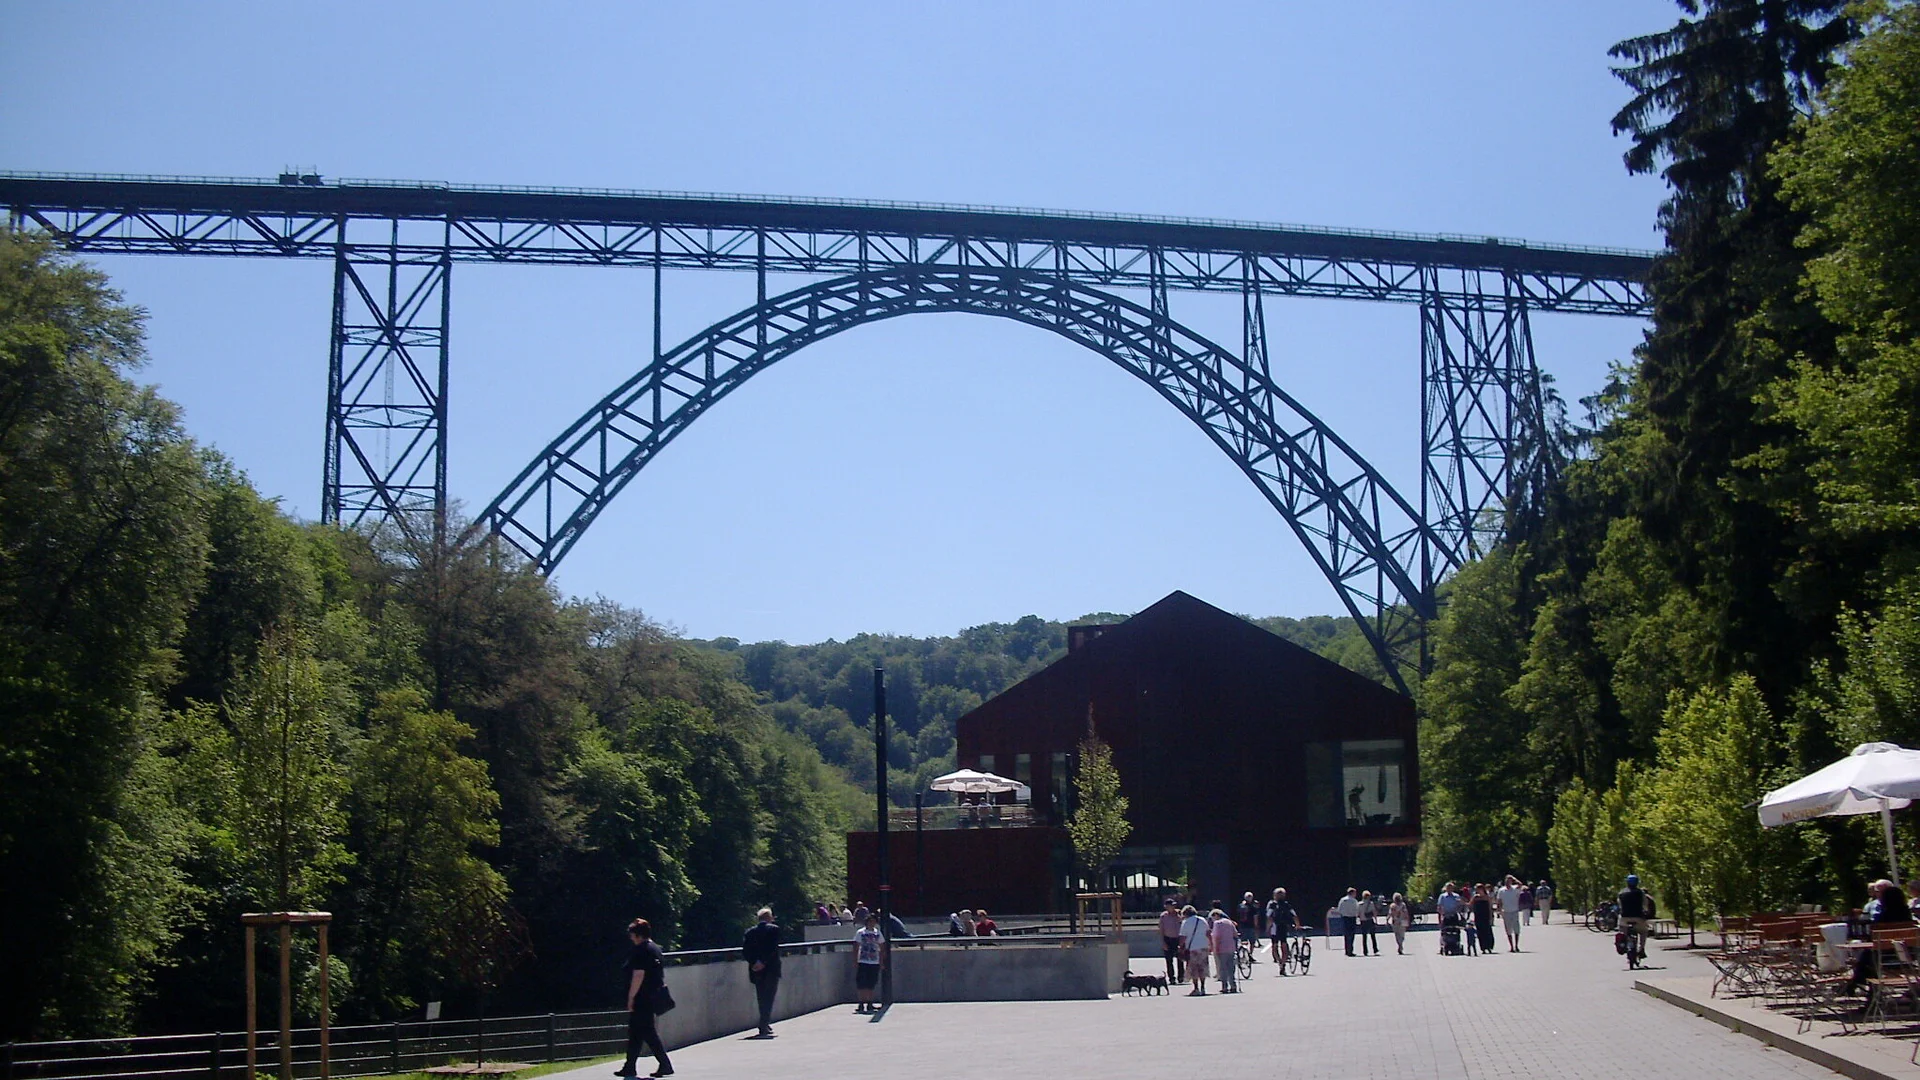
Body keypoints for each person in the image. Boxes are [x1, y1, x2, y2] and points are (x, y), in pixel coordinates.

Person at [618, 918, 673, 1078]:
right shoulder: (655, 948)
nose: (630, 938)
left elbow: (638, 974)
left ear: (638, 935)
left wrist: (631, 997)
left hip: (642, 997)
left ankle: (665, 1064)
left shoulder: (641, 950)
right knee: (636, 1032)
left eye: (632, 934)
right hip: (652, 995)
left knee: (647, 1032)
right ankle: (629, 1066)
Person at [741, 906, 782, 1037]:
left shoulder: (749, 932)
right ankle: (764, 1024)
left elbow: (746, 951)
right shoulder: (774, 930)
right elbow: (772, 949)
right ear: (769, 918)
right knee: (769, 997)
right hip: (771, 969)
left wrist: (754, 963)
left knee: (761, 997)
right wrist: (763, 962)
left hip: (756, 971)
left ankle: (764, 1023)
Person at [1617, 874, 1654, 968]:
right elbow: (1645, 904)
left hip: (1624, 918)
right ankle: (1641, 949)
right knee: (1643, 932)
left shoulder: (1622, 893)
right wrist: (1646, 911)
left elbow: (1619, 905)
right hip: (1638, 918)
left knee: (1622, 931)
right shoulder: (1640, 893)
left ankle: (1623, 944)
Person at [853, 914, 885, 1013]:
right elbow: (856, 946)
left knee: (871, 983)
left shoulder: (878, 933)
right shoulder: (860, 932)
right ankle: (861, 1002)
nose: (872, 923)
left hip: (874, 961)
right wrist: (855, 960)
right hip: (863, 960)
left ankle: (870, 1002)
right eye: (870, 921)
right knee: (861, 983)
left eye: (874, 921)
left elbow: (882, 947)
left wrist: (881, 961)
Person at [1179, 904, 1211, 995]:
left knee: (1194, 969)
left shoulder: (1186, 922)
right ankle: (1203, 987)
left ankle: (1196, 988)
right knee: (1203, 968)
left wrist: (1181, 947)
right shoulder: (1202, 920)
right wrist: (1211, 945)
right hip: (1204, 946)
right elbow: (1208, 933)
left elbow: (1183, 937)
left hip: (1193, 948)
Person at [1265, 888, 1298, 970]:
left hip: (1275, 927)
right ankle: (1283, 962)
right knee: (1284, 945)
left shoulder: (1272, 905)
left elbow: (1269, 917)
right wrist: (1297, 925)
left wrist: (1267, 928)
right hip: (1284, 926)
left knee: (1275, 946)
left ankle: (1279, 962)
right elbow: (1294, 915)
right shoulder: (1287, 905)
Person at [1210, 908, 1240, 993]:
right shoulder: (1229, 922)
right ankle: (1233, 986)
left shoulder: (1217, 923)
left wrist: (1216, 948)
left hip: (1222, 948)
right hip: (1231, 947)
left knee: (1223, 969)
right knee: (1231, 968)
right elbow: (1235, 934)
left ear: (1216, 915)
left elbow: (1217, 937)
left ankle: (1224, 987)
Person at [1159, 898, 1186, 983]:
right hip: (1168, 938)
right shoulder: (1163, 916)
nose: (1173, 907)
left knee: (1180, 959)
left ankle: (1181, 976)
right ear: (1166, 907)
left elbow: (1184, 925)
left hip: (1178, 938)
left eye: (1174, 905)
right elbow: (1161, 930)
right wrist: (1163, 942)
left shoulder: (1179, 914)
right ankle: (1171, 977)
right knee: (1169, 960)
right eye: (1171, 906)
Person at [1496, 875, 1524, 952]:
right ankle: (1511, 946)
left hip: (1514, 911)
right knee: (1508, 930)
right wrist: (1499, 910)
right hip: (1506, 911)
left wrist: (1514, 878)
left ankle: (1516, 945)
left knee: (1516, 929)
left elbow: (1520, 884)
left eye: (1509, 881)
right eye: (1507, 881)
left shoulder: (1515, 888)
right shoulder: (1501, 890)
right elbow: (1499, 901)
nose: (1508, 882)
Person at [1436, 881, 1464, 956]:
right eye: (1448, 888)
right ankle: (1444, 944)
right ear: (1446, 888)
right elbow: (1439, 906)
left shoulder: (1456, 896)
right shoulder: (1442, 896)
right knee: (1444, 930)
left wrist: (1459, 908)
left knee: (1455, 930)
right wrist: (1441, 916)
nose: (1449, 889)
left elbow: (1460, 905)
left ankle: (1456, 944)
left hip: (1454, 914)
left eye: (1451, 888)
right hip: (1446, 915)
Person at [1471, 884, 1495, 956]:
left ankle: (1489, 946)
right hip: (1478, 916)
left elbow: (1490, 908)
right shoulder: (1475, 897)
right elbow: (1470, 904)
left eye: (1478, 889)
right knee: (1480, 932)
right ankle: (1483, 947)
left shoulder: (1487, 897)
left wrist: (1491, 917)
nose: (1477, 890)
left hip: (1486, 916)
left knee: (1487, 931)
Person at [1337, 887, 1361, 957]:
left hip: (1345, 918)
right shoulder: (1354, 901)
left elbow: (1339, 909)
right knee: (1352, 935)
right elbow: (1357, 910)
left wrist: (1343, 914)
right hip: (1352, 918)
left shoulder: (1342, 900)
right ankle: (1350, 950)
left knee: (1346, 935)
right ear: (1352, 893)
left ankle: (1347, 950)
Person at [1237, 892, 1261, 961]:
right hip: (1251, 926)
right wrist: (1256, 926)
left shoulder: (1240, 906)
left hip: (1242, 926)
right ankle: (1250, 954)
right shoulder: (1253, 907)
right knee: (1252, 942)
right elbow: (1255, 918)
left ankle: (1244, 955)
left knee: (1243, 941)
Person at [1357, 890, 1380, 956]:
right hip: (1370, 920)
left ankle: (1365, 951)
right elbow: (1374, 912)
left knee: (1364, 936)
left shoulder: (1359, 904)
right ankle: (1375, 949)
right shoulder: (1371, 903)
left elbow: (1357, 913)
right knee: (1373, 936)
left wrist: (1357, 920)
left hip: (1363, 921)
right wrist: (1376, 920)